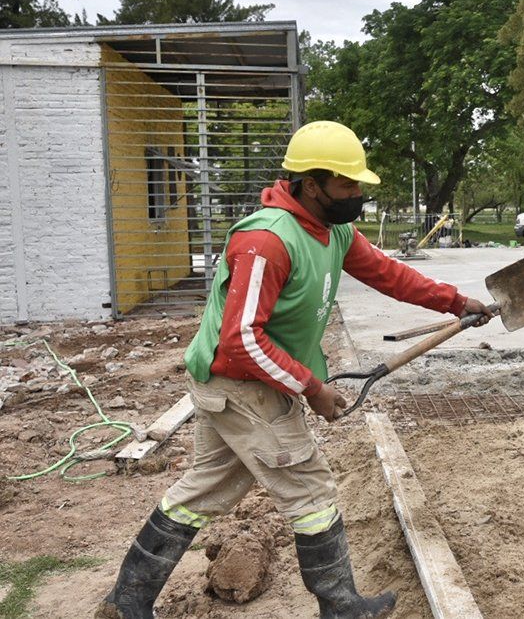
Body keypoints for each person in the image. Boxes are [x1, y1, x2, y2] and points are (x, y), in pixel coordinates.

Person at [96, 121, 494, 619]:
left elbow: (389, 275)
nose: (357, 194)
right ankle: (341, 605)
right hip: (240, 383)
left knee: (204, 488)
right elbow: (240, 340)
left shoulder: (334, 229)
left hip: (248, 380)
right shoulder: (267, 241)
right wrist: (311, 387)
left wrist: (456, 302)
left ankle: (127, 601)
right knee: (310, 488)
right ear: (310, 183)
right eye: (347, 184)